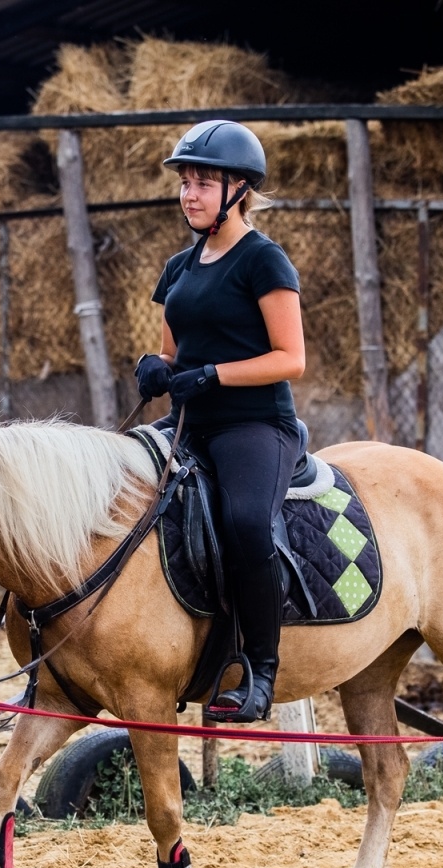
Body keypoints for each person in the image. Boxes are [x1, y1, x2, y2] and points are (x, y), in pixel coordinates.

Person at [135, 119, 306, 724]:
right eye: (185, 182)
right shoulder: (179, 267)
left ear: (238, 189)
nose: (189, 194)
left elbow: (292, 358)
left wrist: (214, 375)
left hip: (254, 425)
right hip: (189, 423)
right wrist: (154, 370)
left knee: (244, 522)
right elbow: (172, 353)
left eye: (204, 182)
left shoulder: (264, 260)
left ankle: (260, 669)